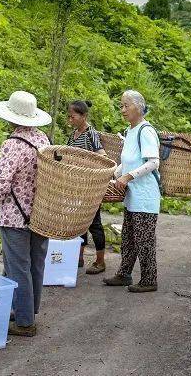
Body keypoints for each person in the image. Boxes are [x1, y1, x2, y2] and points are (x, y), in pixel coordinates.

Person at [0, 91, 51, 337]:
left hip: (15, 216)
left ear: (11, 117)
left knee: (17, 268)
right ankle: (27, 309)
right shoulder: (43, 139)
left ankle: (24, 322)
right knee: (35, 263)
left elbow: (0, 187)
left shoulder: (12, 144)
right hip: (42, 214)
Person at [103, 90, 161, 293]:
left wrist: (127, 177)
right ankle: (124, 274)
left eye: (126, 105)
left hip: (145, 198)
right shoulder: (130, 131)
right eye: (122, 105)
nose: (123, 110)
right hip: (132, 196)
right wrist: (112, 176)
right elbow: (125, 163)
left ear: (138, 107)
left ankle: (149, 280)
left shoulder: (146, 131)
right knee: (128, 238)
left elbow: (153, 162)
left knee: (144, 240)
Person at [66, 99, 108, 275]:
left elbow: (103, 157)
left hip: (90, 187)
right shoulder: (74, 134)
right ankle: (79, 257)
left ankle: (100, 261)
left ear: (84, 116)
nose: (70, 120)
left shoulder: (91, 134)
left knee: (94, 223)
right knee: (80, 222)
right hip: (76, 187)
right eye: (69, 117)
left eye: (73, 116)